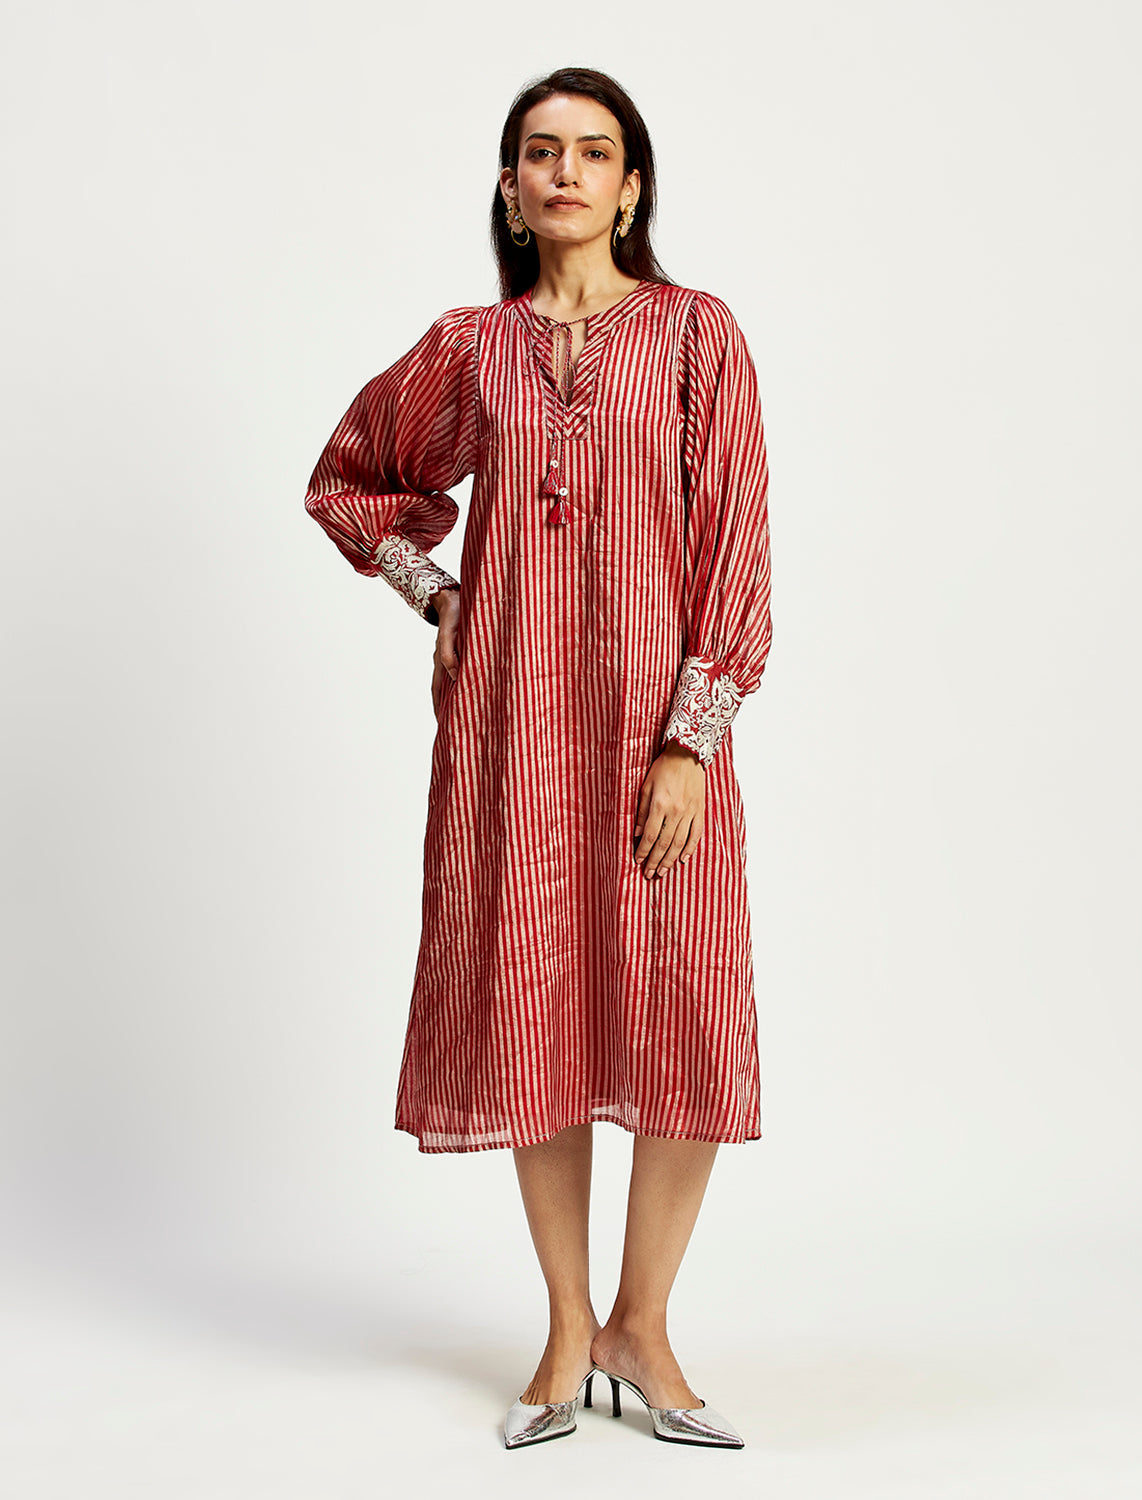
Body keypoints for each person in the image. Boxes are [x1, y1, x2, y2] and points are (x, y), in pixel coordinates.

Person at [303, 66, 772, 1450]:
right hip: (510, 735)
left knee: (684, 1006)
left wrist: (690, 741)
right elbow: (347, 478)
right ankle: (570, 1329)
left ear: (631, 187)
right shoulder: (473, 349)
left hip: (654, 728)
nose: (565, 172)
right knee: (536, 1010)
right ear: (510, 188)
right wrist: (436, 592)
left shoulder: (694, 335)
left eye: (594, 152)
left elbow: (736, 547)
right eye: (540, 152)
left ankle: (645, 1324)